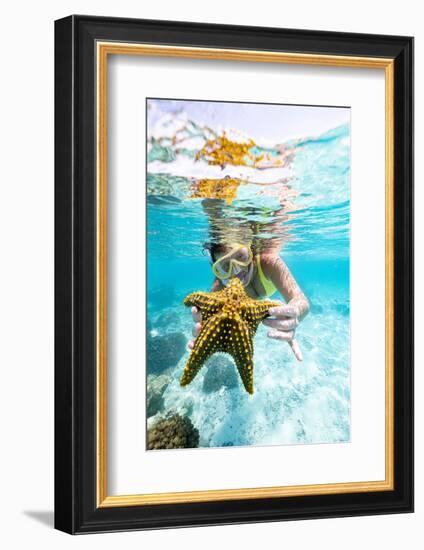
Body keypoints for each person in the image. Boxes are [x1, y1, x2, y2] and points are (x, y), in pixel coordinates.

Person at [188, 241, 310, 361]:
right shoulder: (219, 289)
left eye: (240, 256)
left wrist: (295, 312)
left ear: (250, 252)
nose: (236, 270)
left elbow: (300, 300)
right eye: (225, 265)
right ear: (218, 272)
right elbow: (209, 324)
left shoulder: (268, 262)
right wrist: (207, 333)